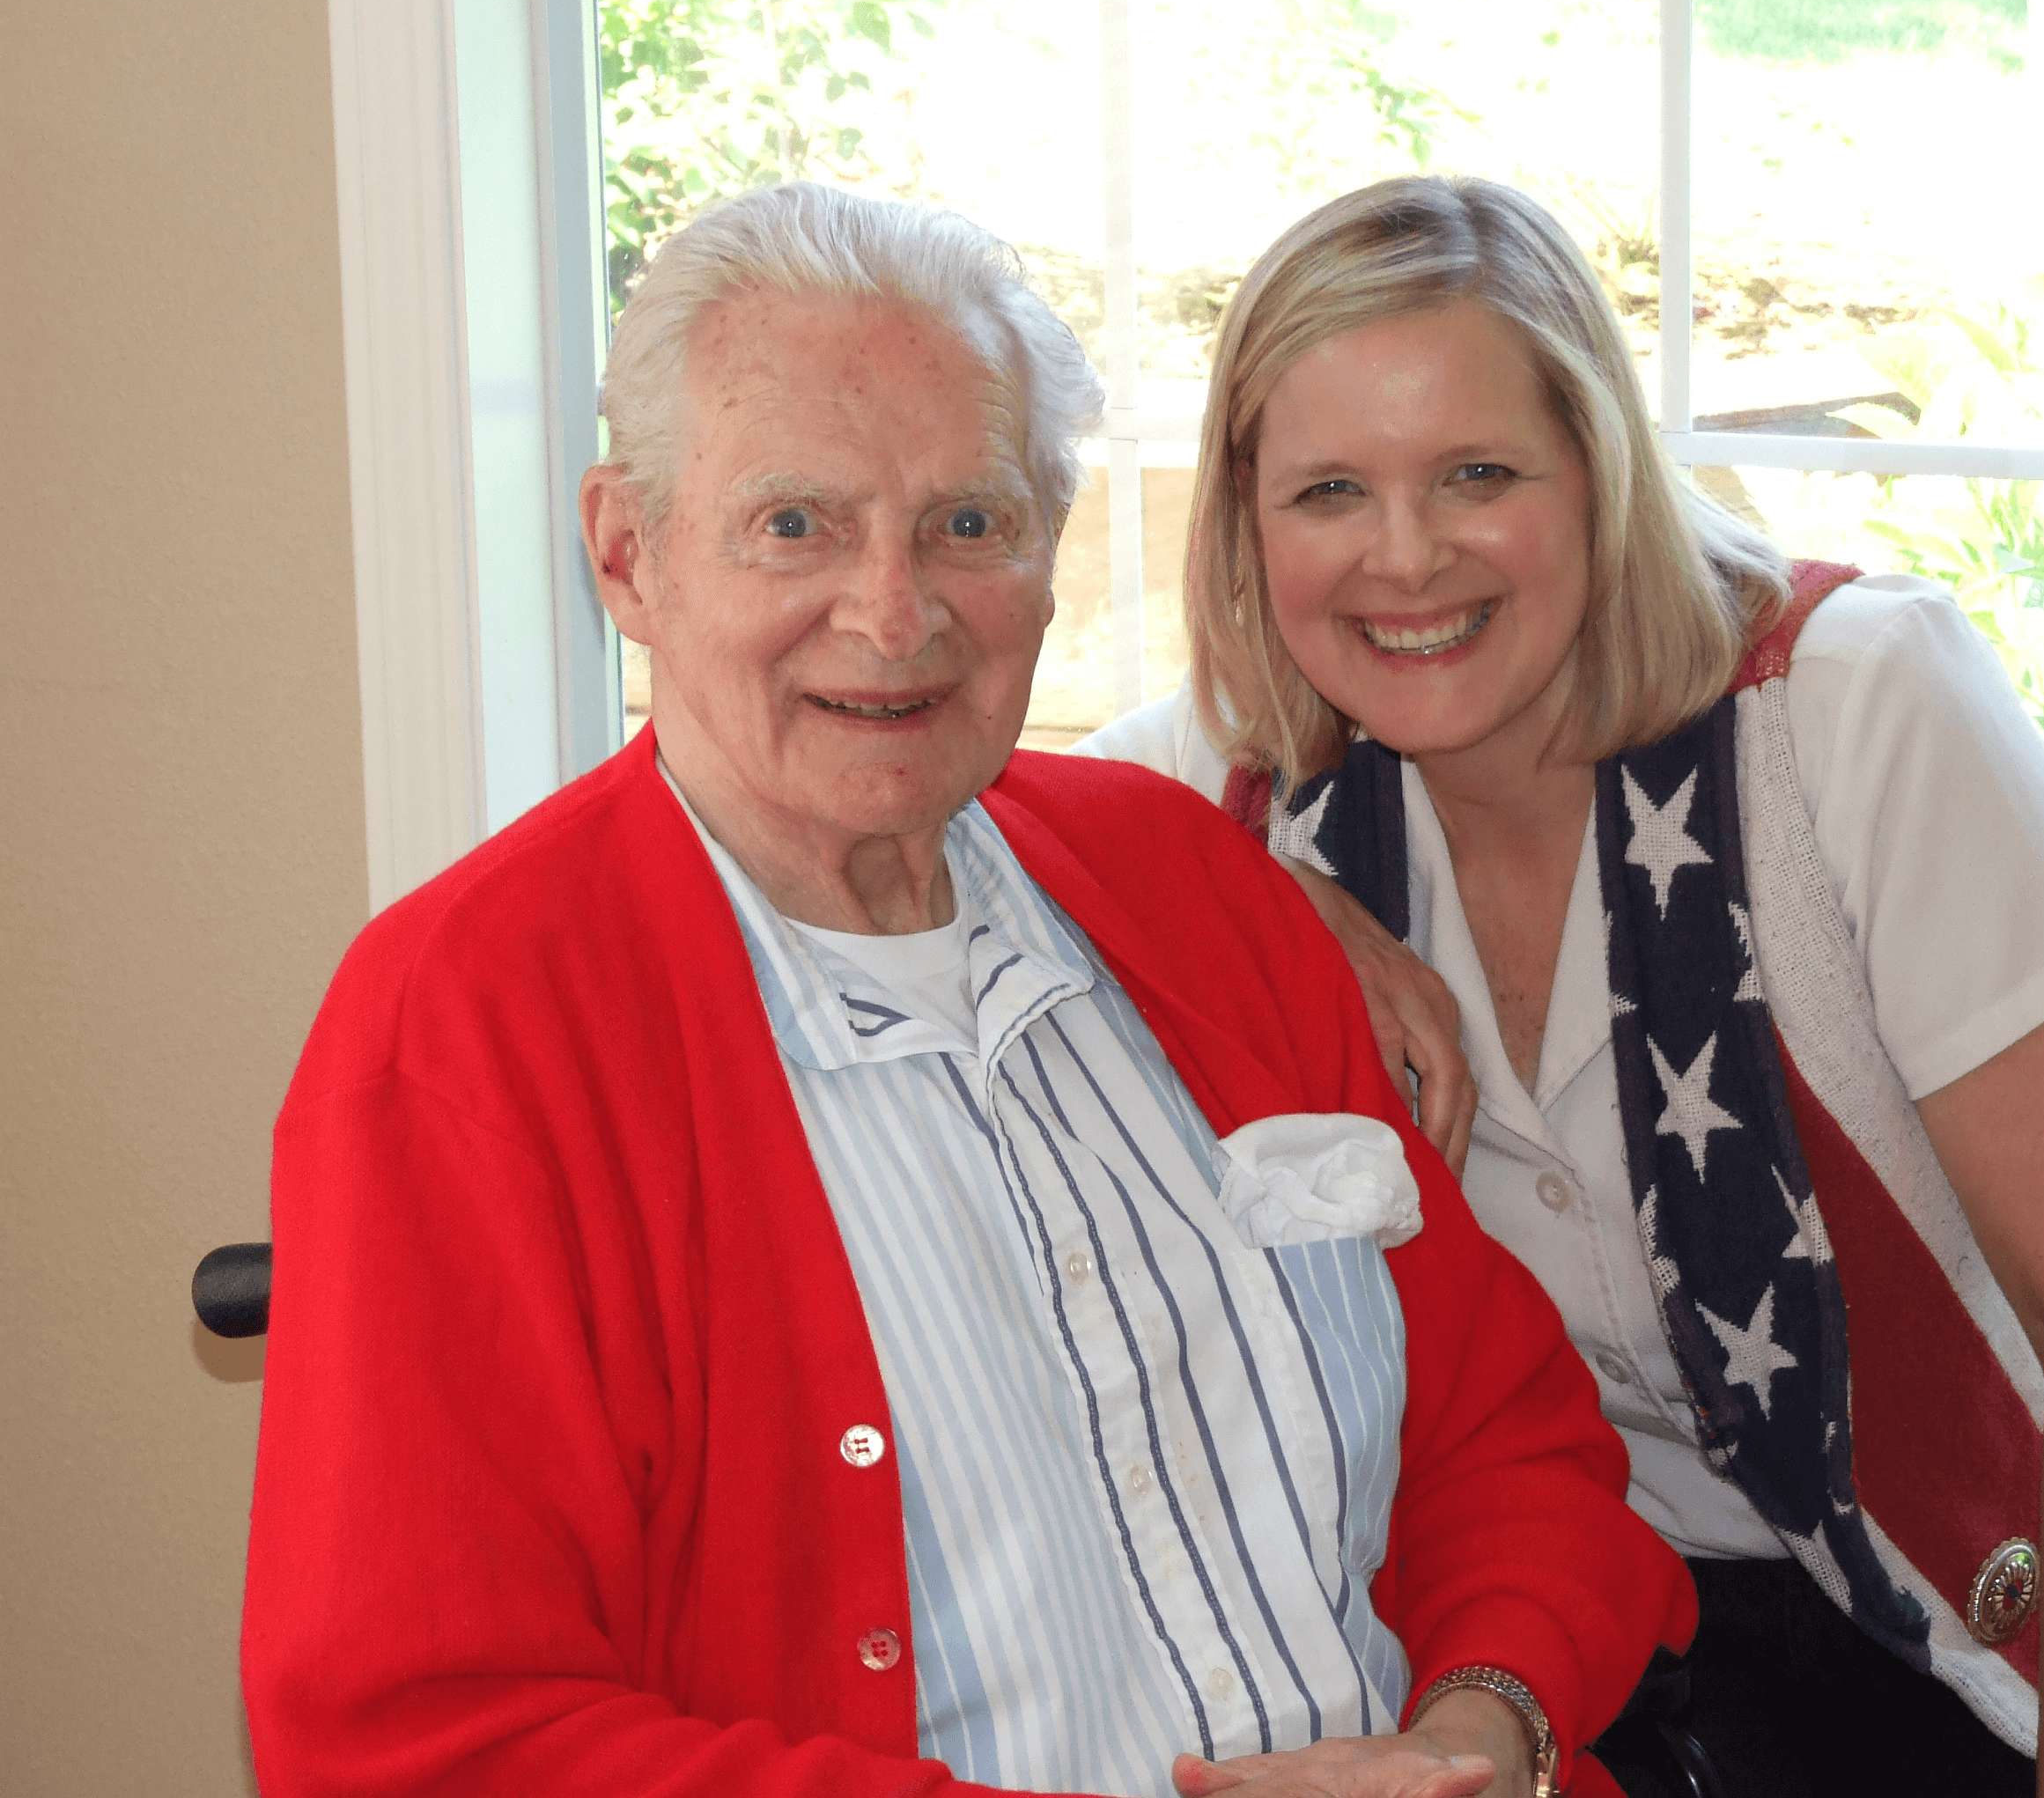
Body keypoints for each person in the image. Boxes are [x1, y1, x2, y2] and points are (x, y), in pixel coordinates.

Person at [239, 182, 1689, 1798]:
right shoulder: (469, 1031)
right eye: (796, 525)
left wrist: (1483, 1734)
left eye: (968, 523)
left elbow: (1514, 1447)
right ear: (628, 556)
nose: (895, 610)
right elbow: (424, 1737)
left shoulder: (1195, 887)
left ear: (1050, 558)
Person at [1075, 175, 2044, 1798]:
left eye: (1478, 474)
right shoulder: (1226, 785)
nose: (1403, 558)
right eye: (1329, 490)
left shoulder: (1857, 706)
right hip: (1641, 1624)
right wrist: (1275, 898)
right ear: (1249, 523)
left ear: (1600, 471)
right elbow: (954, 816)